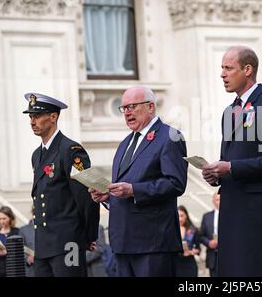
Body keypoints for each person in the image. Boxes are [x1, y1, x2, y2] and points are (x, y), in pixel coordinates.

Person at [202, 46, 262, 276]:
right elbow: (229, 158)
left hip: (260, 213)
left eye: (228, 68)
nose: (222, 74)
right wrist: (215, 173)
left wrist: (230, 168)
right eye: (221, 68)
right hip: (232, 211)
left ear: (248, 69)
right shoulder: (230, 111)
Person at [89, 85, 188, 277]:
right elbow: (123, 189)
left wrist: (134, 190)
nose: (127, 113)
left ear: (150, 107)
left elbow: (175, 183)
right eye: (124, 108)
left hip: (153, 242)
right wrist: (108, 196)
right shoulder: (125, 143)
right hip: (123, 243)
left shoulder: (170, 136)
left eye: (133, 106)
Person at [23, 93, 100, 277]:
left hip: (68, 242)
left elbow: (86, 197)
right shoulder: (37, 155)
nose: (32, 122)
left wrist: (89, 235)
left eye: (37, 116)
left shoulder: (71, 151)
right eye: (30, 117)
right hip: (43, 244)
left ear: (53, 117)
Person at [175, 205, 200, 277]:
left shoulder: (193, 230)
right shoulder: (171, 231)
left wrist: (191, 252)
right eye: (178, 216)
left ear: (186, 216)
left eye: (181, 216)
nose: (179, 219)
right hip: (175, 264)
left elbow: (198, 249)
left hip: (189, 264)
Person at [199, 192, 220, 277]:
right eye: (218, 199)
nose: (220, 201)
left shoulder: (232, 216)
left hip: (228, 257)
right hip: (212, 257)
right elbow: (201, 236)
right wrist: (208, 242)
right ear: (214, 201)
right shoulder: (207, 216)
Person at [0, 206, 20, 277]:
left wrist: (7, 251)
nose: (2, 221)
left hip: (14, 269)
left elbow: (22, 250)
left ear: (10, 218)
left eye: (4, 218)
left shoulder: (17, 232)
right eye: (0, 219)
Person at [18, 208, 35, 277]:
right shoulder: (24, 230)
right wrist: (28, 258)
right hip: (32, 270)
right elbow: (20, 249)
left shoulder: (50, 228)